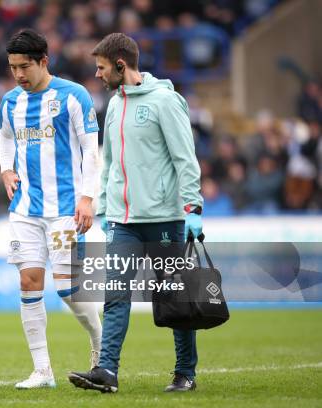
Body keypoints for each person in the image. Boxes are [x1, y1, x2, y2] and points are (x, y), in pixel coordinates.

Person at [68, 33, 204, 393]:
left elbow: (184, 158)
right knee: (115, 294)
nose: (97, 74)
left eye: (100, 67)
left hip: (165, 219)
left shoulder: (166, 101)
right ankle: (107, 372)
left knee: (173, 298)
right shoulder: (114, 104)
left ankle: (185, 372)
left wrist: (192, 208)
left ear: (120, 65)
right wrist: (105, 206)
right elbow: (109, 161)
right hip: (123, 223)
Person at [0, 29, 103, 389]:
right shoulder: (11, 101)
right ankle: (42, 371)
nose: (19, 75)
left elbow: (92, 150)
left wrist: (87, 197)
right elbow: (5, 137)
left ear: (44, 61)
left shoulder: (73, 96)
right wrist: (6, 168)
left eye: (25, 66)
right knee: (28, 282)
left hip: (65, 209)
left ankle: (99, 345)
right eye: (13, 67)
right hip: (25, 208)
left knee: (69, 290)